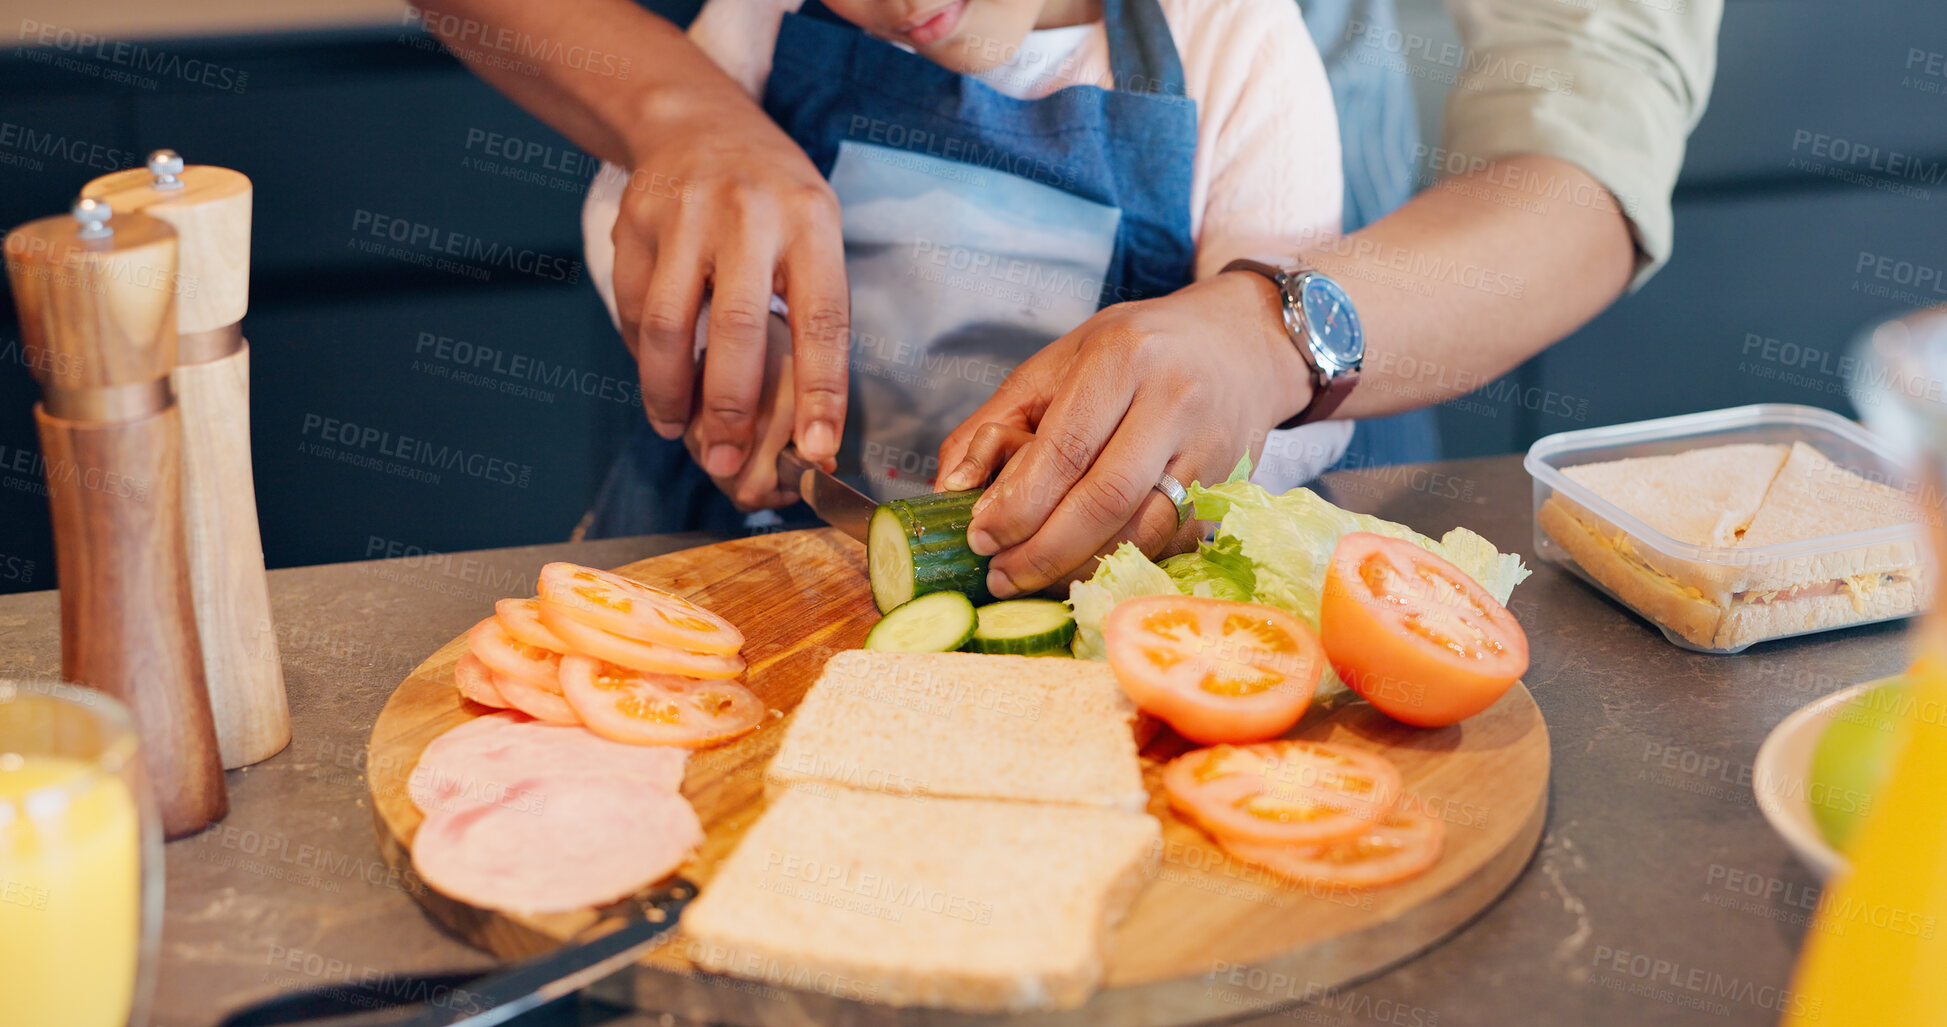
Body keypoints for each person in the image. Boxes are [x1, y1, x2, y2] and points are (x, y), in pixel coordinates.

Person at [426, 0, 1722, 598]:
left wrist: (1251, 353)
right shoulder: (760, 20)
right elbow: (631, 210)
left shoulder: (1232, 41)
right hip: (753, 556)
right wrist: (715, 311)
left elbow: (1590, 143)